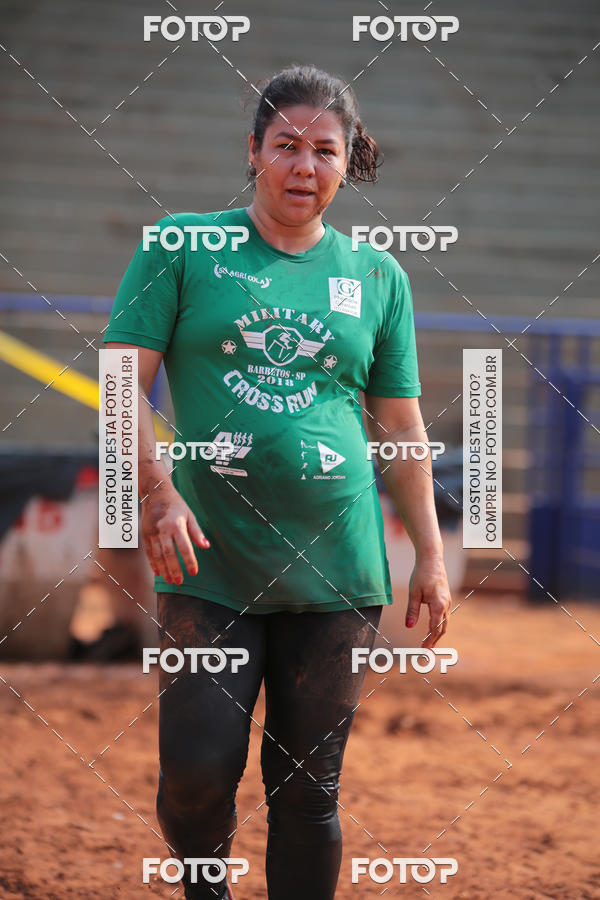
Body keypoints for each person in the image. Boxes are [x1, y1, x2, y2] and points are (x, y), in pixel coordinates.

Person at [104, 64, 452, 900]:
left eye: (324, 151)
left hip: (338, 567)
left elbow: (401, 426)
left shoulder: (377, 277)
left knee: (308, 791)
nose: (304, 166)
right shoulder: (182, 248)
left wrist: (432, 559)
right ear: (252, 151)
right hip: (209, 562)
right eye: (287, 146)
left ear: (347, 162)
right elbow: (122, 386)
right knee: (194, 777)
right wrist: (156, 491)